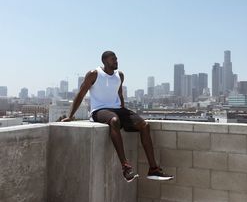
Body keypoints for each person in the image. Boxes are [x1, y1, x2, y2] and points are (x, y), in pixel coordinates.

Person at [61, 51, 174, 182]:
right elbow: (80, 94)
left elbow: (119, 95)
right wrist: (70, 116)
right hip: (99, 110)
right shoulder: (94, 74)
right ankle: (126, 167)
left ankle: (153, 169)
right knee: (114, 121)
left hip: (118, 110)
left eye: (116, 59)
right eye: (112, 59)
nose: (116, 61)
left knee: (144, 125)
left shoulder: (119, 75)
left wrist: (126, 114)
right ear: (104, 61)